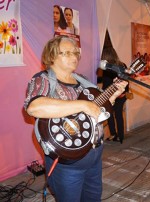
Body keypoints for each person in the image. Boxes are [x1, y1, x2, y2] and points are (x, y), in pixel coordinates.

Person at [24, 36, 128, 202]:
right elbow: (34, 107)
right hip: (67, 163)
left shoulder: (82, 80)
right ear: (51, 56)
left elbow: (97, 111)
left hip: (94, 156)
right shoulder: (42, 79)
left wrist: (113, 94)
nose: (74, 57)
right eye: (67, 53)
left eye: (75, 53)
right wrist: (82, 105)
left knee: (93, 199)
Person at [101, 46, 129, 144]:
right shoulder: (123, 65)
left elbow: (106, 84)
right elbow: (127, 81)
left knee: (110, 115)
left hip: (111, 95)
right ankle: (121, 136)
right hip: (122, 95)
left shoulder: (107, 68)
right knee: (119, 115)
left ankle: (113, 134)